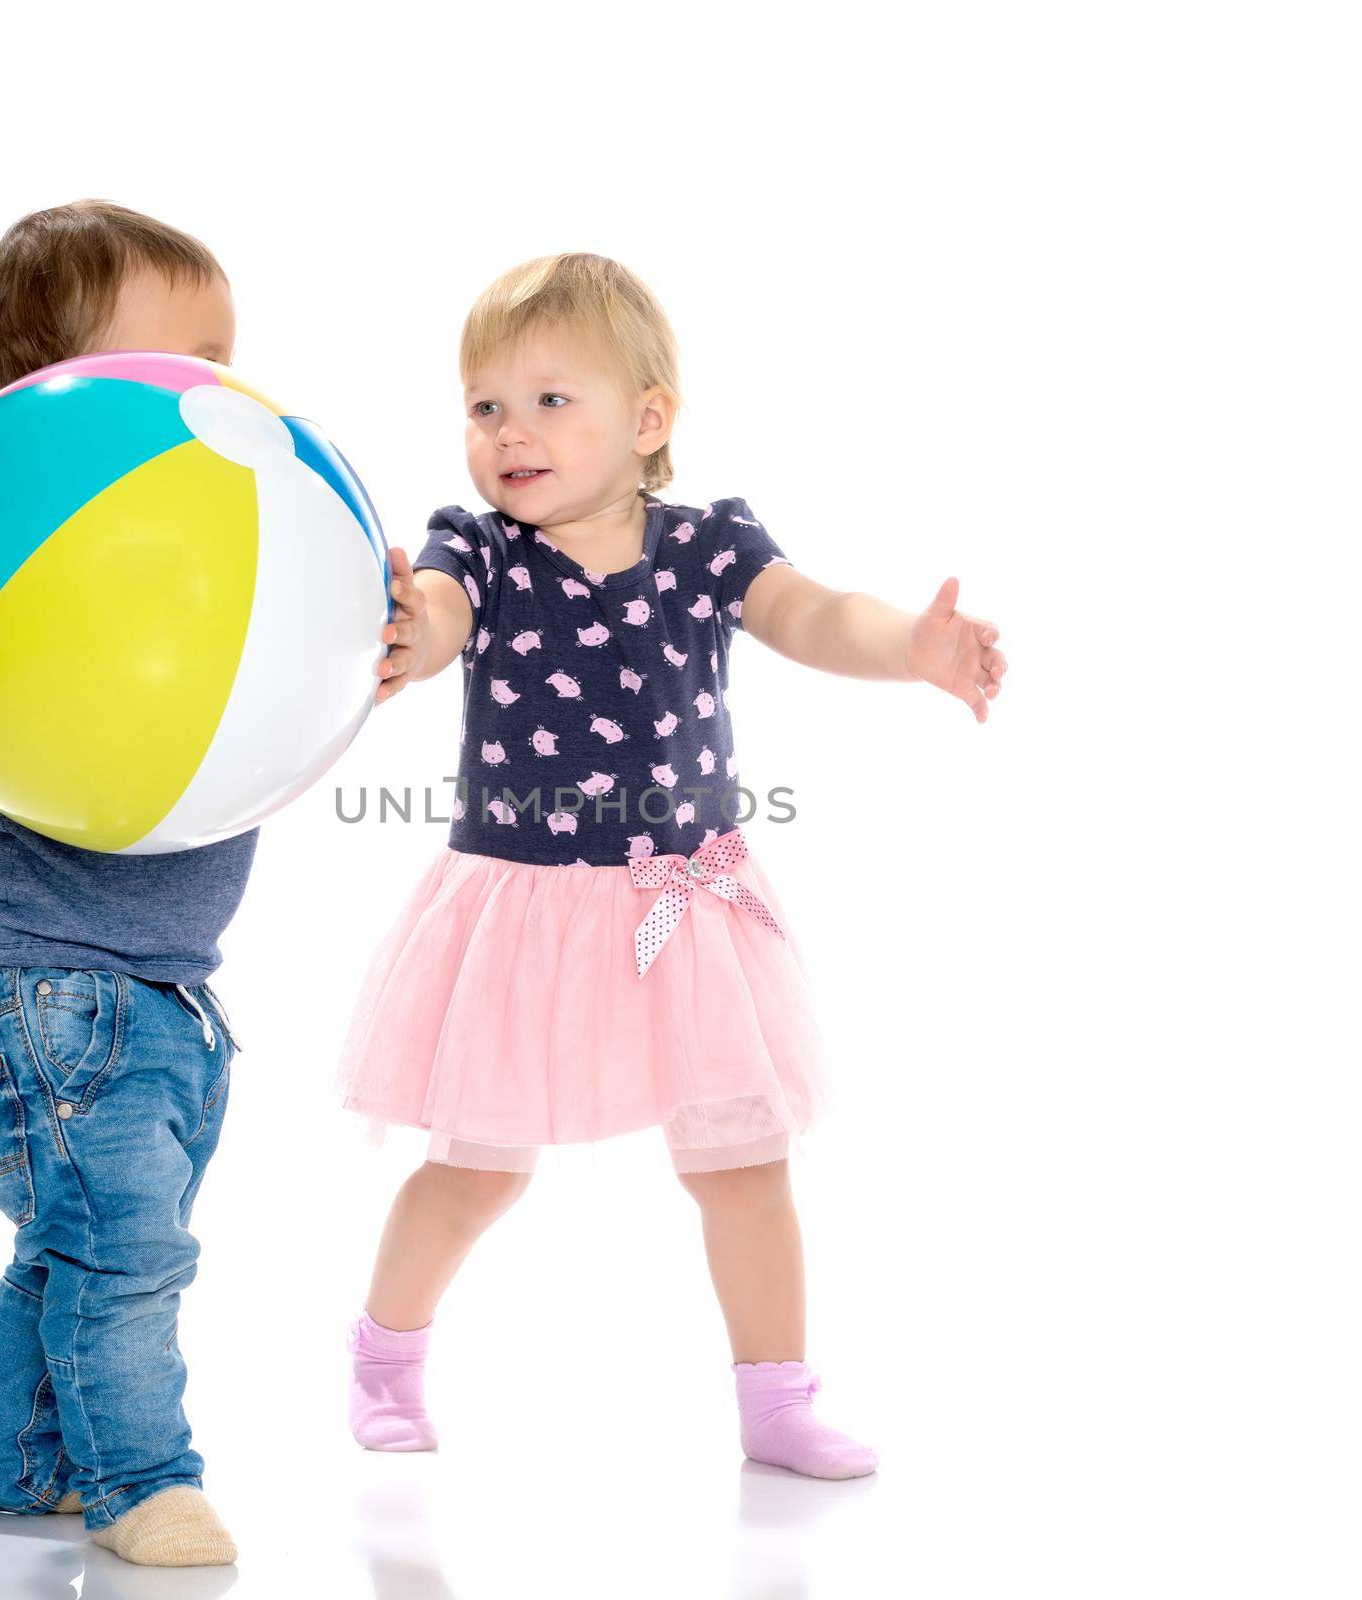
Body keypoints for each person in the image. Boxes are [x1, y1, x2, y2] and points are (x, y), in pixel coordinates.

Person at [339, 252, 1008, 1478]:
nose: (508, 432)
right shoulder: (479, 551)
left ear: (646, 421)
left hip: (680, 904)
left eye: (550, 400)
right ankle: (382, 1355)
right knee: (477, 1172)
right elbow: (432, 618)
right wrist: (403, 630)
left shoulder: (708, 544)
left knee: (744, 1169)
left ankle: (777, 1401)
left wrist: (909, 644)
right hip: (524, 909)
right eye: (484, 405)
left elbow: (810, 613)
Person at [0, 200, 362, 1567]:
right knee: (129, 1249)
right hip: (39, 985)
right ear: (57, 389)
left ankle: (0, 1455)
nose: (229, 377)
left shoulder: (228, 539)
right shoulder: (25, 541)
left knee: (81, 1237)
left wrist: (390, 629)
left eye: (230, 345)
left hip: (161, 992)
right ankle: (143, 1478)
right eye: (192, 347)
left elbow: (316, 666)